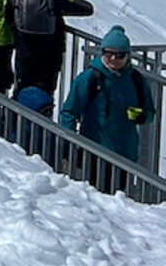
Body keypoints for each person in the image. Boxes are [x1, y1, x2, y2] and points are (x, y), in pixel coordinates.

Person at [59, 25, 154, 164]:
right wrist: (68, 145)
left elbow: (149, 110)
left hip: (126, 155)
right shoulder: (89, 78)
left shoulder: (136, 80)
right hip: (93, 153)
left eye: (119, 54)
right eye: (109, 53)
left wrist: (142, 116)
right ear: (102, 52)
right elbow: (69, 112)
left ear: (127, 55)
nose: (114, 58)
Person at [8, 0, 93, 99]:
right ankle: (39, 121)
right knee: (44, 92)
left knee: (22, 87)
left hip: (23, 48)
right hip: (50, 51)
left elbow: (8, 16)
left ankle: (13, 120)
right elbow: (86, 8)